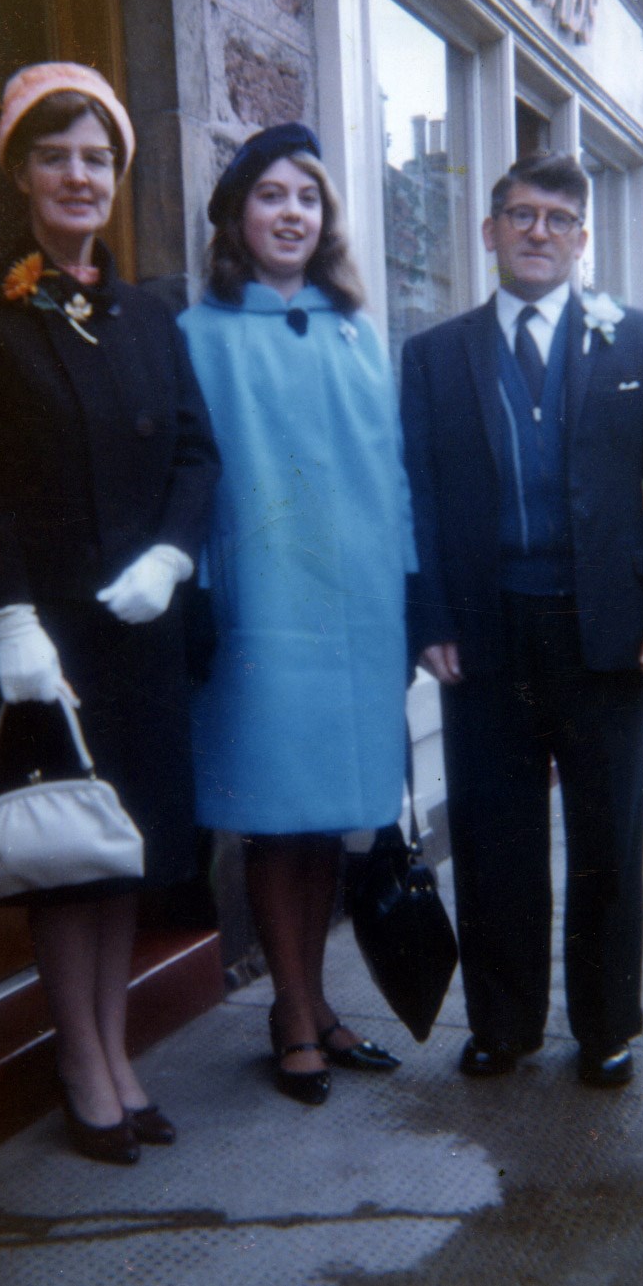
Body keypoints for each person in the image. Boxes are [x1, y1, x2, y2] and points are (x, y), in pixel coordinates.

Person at [0, 63, 220, 1162]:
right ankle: (80, 1059)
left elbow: (198, 453)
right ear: (19, 171)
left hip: (137, 628)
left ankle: (110, 1046)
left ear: (118, 176)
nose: (77, 176)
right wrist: (8, 622)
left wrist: (172, 557)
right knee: (64, 857)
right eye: (53, 155)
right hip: (45, 638)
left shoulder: (149, 312)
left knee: (121, 847)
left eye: (95, 157)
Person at [401, 152, 643, 1088]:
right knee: (496, 838)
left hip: (604, 633)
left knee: (607, 837)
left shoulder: (639, 340)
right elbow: (414, 498)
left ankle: (607, 1023)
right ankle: (503, 1023)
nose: (539, 233)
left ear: (582, 239)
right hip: (487, 636)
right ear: (488, 232)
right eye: (520, 215)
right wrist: (431, 617)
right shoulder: (433, 355)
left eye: (558, 219)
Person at [179, 123, 417, 1104]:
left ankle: (315, 1004)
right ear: (238, 218)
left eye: (306, 198)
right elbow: (188, 477)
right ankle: (289, 1010)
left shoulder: (361, 334)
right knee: (277, 820)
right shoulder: (199, 336)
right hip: (261, 608)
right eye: (270, 196)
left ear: (325, 219)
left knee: (327, 821)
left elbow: (392, 474)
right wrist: (198, 589)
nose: (290, 213)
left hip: (357, 611)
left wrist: (407, 581)